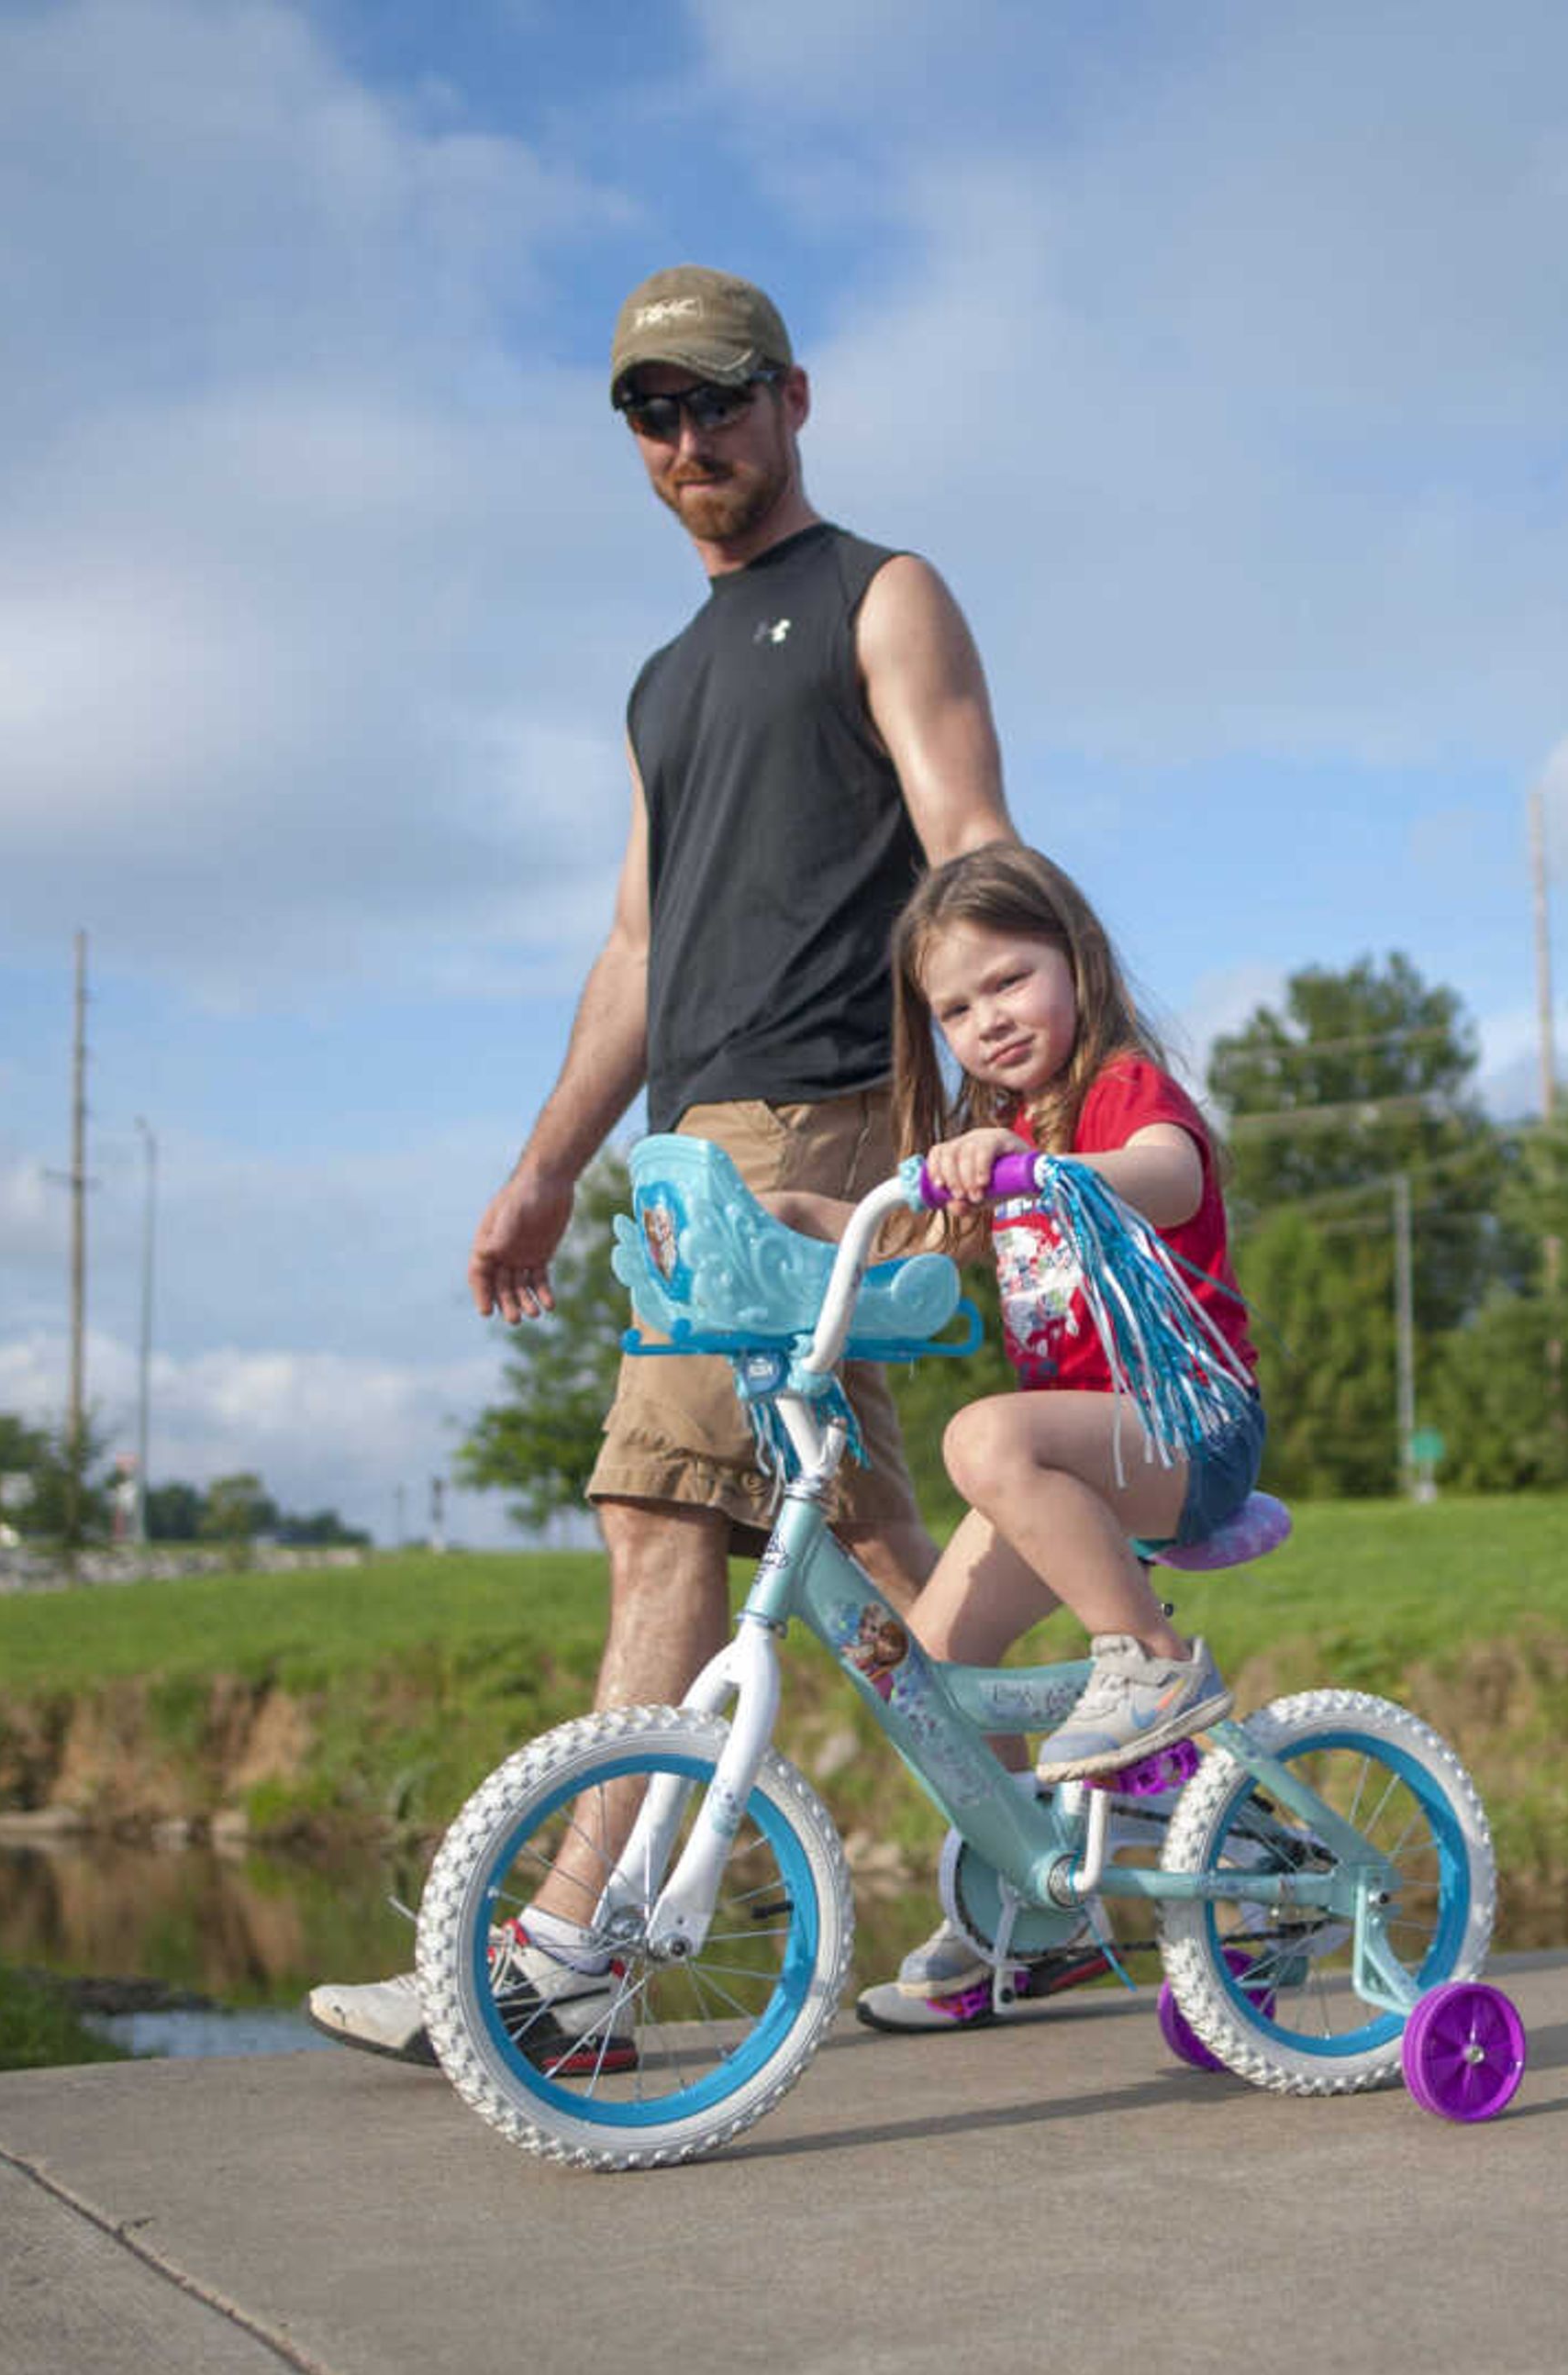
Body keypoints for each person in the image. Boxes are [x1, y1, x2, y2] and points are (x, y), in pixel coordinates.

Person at [307, 262, 1055, 2063]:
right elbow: (638, 952)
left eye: (718, 398)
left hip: (818, 1117)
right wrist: (546, 1166)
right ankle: (1071, 1867)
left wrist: (1017, 1110)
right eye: (653, 411)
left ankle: (571, 1957)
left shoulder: (884, 595)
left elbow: (970, 841)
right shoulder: (663, 682)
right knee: (875, 1552)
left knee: (661, 1510)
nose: (689, 436)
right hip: (688, 1154)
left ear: (795, 397)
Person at [829, 842, 1268, 2031]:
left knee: (980, 1437)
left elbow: (1171, 1177)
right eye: (956, 1008)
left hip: (1193, 1425)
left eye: (1009, 981)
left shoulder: (1119, 1091)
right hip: (1089, 1458)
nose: (987, 1020)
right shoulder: (1003, 1131)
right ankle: (1035, 1911)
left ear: (1075, 959)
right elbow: (907, 1239)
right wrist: (801, 1219)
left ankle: (1152, 1668)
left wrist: (1050, 1168)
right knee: (925, 1674)